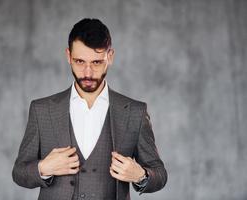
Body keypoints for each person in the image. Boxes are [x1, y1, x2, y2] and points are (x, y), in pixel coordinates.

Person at [12, 18, 167, 200]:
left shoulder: (135, 112)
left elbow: (160, 174)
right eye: (79, 61)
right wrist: (43, 168)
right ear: (68, 56)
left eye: (96, 62)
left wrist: (141, 176)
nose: (87, 73)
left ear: (110, 56)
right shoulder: (41, 110)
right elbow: (19, 173)